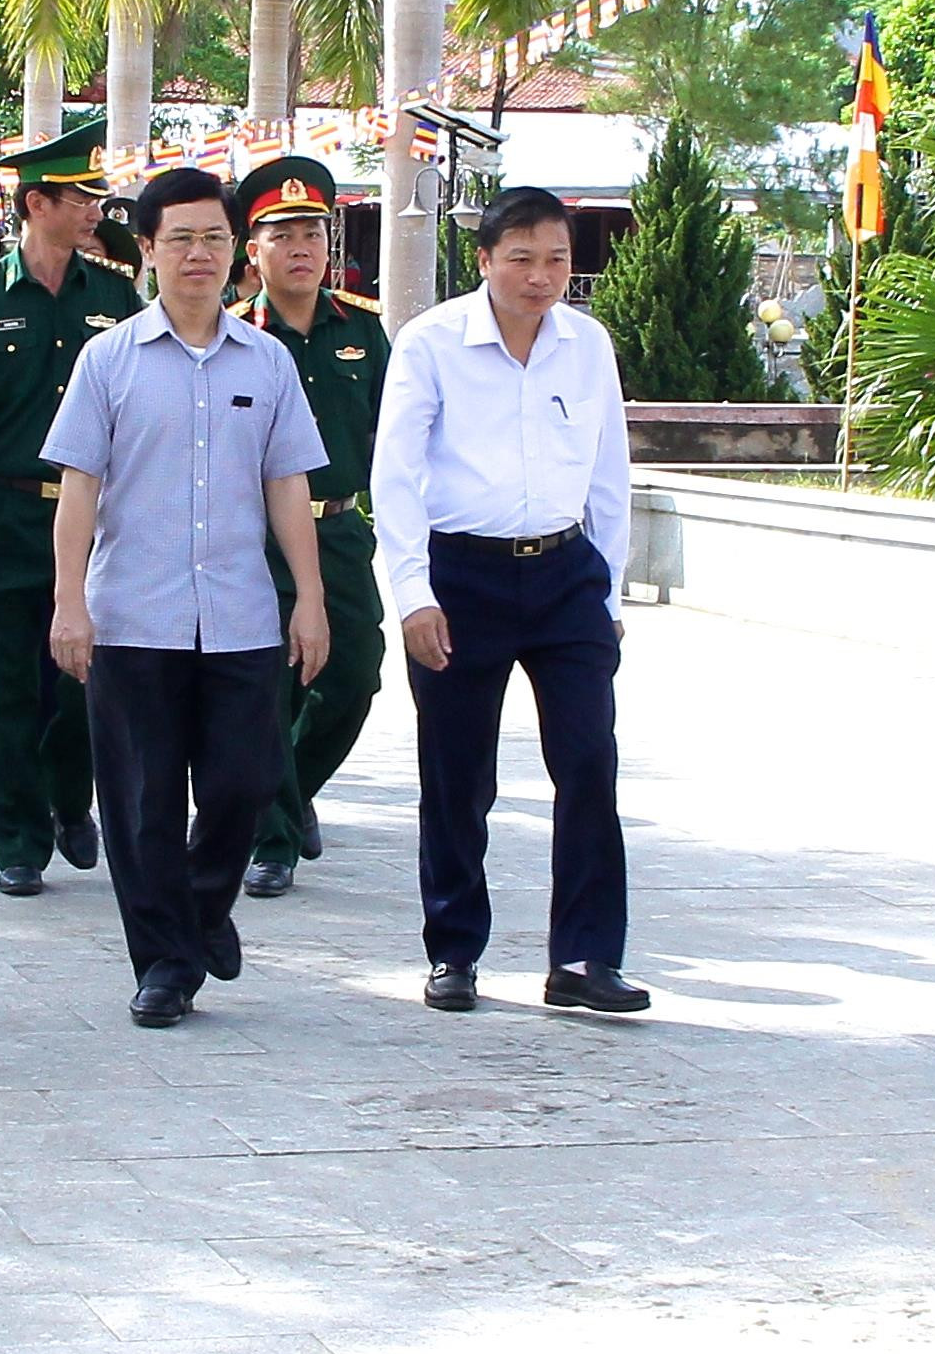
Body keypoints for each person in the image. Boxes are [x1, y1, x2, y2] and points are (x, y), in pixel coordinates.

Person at [45, 168, 332, 1026]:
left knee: (245, 784)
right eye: (181, 239)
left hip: (241, 613)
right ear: (149, 251)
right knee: (142, 802)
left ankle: (204, 911)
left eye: (213, 237)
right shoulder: (108, 359)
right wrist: (70, 600)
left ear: (234, 249)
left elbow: (288, 485)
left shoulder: (268, 360)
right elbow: (80, 487)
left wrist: (309, 596)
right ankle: (166, 963)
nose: (199, 254)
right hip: (134, 612)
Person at [373, 184, 643, 1014]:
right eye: (521, 257)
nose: (540, 275)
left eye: (557, 258)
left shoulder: (586, 344)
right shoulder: (431, 343)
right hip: (462, 579)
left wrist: (610, 590)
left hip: (567, 577)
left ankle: (585, 959)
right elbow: (397, 474)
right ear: (484, 260)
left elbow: (609, 472)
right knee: (459, 775)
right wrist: (413, 594)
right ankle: (454, 950)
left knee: (590, 763)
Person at [0, 121, 142, 896]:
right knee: (10, 681)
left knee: (85, 675)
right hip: (6, 514)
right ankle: (16, 837)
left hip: (93, 522)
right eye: (80, 197)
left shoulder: (115, 295)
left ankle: (70, 798)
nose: (93, 210)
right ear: (36, 204)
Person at [231, 154, 390, 902]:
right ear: (253, 249)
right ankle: (272, 839)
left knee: (353, 676)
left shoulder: (363, 331)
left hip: (337, 532)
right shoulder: (232, 337)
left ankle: (286, 797)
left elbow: (394, 438)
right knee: (267, 688)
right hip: (252, 538)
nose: (303, 248)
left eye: (315, 234)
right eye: (284, 234)